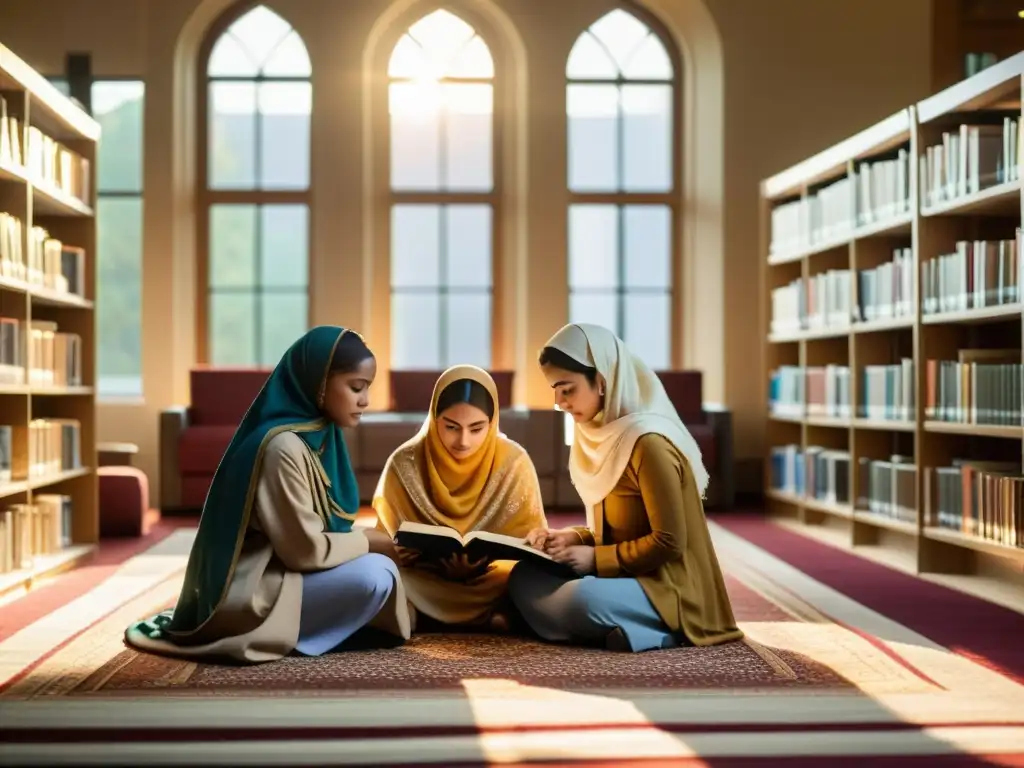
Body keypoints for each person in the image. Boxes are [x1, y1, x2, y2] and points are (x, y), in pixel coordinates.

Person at [124, 326, 411, 663]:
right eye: (356, 388)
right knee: (375, 575)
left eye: (367, 389)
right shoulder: (283, 447)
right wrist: (371, 540)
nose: (365, 401)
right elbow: (305, 552)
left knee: (393, 570)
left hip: (290, 572)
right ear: (318, 382)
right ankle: (287, 632)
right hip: (257, 587)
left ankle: (326, 626)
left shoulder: (320, 436)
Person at [508, 323, 743, 652]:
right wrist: (572, 538)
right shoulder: (599, 434)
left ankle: (659, 631)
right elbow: (616, 531)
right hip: (621, 576)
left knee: (582, 599)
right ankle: (626, 629)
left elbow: (669, 542)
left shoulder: (649, 444)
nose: (559, 403)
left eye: (567, 389)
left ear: (601, 382)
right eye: (555, 391)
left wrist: (594, 560)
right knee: (522, 577)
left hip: (667, 586)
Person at [373, 365, 547, 631]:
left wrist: (481, 564)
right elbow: (386, 540)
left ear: (492, 423)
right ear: (434, 418)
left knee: (528, 578)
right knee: (381, 577)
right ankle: (490, 618)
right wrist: (403, 554)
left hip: (492, 578)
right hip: (424, 579)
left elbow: (532, 540)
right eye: (452, 427)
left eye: (477, 429)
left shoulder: (514, 462)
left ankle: (431, 618)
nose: (463, 441)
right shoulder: (404, 462)